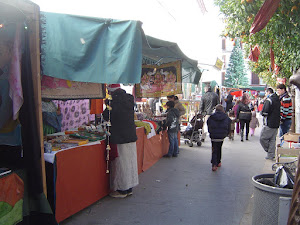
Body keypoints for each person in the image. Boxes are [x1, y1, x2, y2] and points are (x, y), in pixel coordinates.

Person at [103, 84, 139, 198]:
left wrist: (107, 106)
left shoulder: (114, 103)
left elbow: (107, 116)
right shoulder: (129, 99)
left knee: (122, 165)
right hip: (130, 135)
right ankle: (129, 188)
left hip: (120, 136)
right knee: (130, 162)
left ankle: (122, 190)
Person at [207, 104, 231, 171]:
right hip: (221, 136)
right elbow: (229, 125)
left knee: (214, 149)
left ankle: (214, 164)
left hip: (213, 136)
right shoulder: (226, 117)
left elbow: (208, 124)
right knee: (219, 148)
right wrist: (227, 133)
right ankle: (218, 161)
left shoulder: (211, 117)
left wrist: (210, 132)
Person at [260, 88, 281, 160]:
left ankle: (269, 151)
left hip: (269, 122)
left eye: (266, 92)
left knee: (263, 138)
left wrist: (262, 113)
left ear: (268, 92)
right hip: (276, 122)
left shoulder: (269, 100)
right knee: (272, 140)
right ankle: (271, 155)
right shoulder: (278, 99)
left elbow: (265, 112)